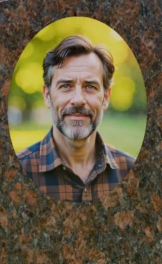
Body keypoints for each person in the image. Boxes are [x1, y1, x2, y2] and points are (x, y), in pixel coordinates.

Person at [17, 35, 136, 202]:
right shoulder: (15, 172)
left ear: (106, 98)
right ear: (47, 96)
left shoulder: (133, 172)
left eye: (90, 87)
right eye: (66, 86)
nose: (78, 99)